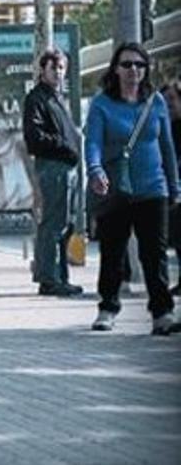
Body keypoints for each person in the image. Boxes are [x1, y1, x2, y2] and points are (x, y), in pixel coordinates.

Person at [84, 43, 179, 335]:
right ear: (115, 69)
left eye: (139, 65)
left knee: (155, 254)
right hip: (116, 189)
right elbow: (93, 142)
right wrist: (95, 170)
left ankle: (162, 313)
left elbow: (166, 148)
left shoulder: (155, 103)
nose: (133, 71)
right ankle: (108, 308)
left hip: (153, 189)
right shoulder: (102, 104)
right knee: (113, 251)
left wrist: (174, 186)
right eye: (127, 65)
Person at [22, 49, 84, 297]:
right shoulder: (37, 98)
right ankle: (48, 279)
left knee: (66, 225)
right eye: (53, 67)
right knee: (53, 224)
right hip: (53, 166)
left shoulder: (56, 98)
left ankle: (60, 276)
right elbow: (34, 137)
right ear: (42, 70)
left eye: (61, 68)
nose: (58, 72)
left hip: (67, 167)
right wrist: (64, 144)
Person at [162, 78, 181, 296]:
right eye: (165, 101)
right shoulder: (167, 128)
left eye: (172, 100)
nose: (169, 105)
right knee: (177, 237)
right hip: (174, 189)